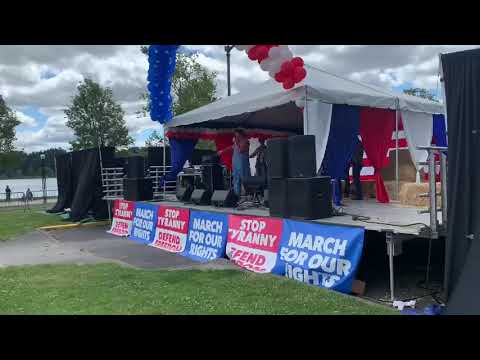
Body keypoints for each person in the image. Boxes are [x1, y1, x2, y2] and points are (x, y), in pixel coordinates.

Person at [231, 129, 251, 196]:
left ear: (241, 134)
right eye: (235, 135)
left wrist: (236, 143)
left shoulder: (245, 141)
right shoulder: (236, 142)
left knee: (245, 179)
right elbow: (232, 148)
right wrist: (222, 151)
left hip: (242, 164)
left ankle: (249, 195)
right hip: (236, 164)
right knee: (236, 179)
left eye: (237, 134)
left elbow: (241, 151)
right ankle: (236, 195)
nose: (236, 136)